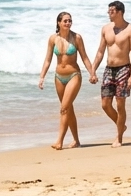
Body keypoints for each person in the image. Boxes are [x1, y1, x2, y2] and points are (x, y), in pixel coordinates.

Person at [39, 11, 95, 150]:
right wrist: (42, 77)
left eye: (70, 20)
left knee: (64, 108)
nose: (68, 23)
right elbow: (48, 60)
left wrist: (92, 73)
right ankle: (76, 140)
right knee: (68, 109)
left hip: (73, 76)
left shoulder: (76, 38)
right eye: (65, 21)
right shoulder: (53, 39)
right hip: (58, 77)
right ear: (58, 23)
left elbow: (84, 57)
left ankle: (59, 141)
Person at [93, 1, 131, 147]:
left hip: (124, 69)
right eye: (108, 10)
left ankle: (119, 137)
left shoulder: (130, 30)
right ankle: (121, 125)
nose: (109, 13)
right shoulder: (106, 29)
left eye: (111, 11)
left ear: (120, 12)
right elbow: (100, 51)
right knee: (105, 104)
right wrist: (93, 70)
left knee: (120, 104)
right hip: (109, 69)